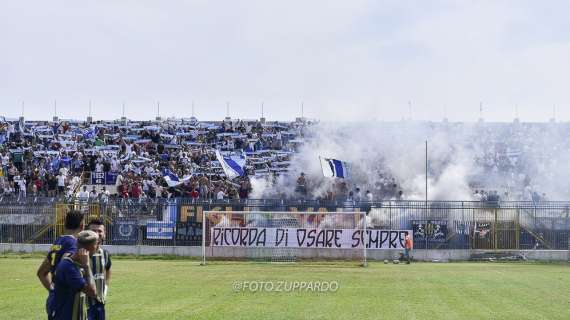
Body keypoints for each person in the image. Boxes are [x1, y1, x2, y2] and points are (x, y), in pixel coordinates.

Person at [37, 211, 85, 317]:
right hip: (67, 301)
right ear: (82, 226)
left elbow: (41, 273)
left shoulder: (58, 242)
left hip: (55, 300)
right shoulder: (73, 244)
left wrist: (52, 290)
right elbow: (65, 267)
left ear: (64, 223)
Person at [50, 230, 99, 320]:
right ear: (88, 249)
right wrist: (87, 267)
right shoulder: (69, 268)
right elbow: (92, 292)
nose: (98, 248)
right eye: (96, 245)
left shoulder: (74, 263)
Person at [87, 219, 112, 320]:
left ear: (104, 234)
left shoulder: (104, 253)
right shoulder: (80, 253)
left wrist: (105, 287)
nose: (97, 234)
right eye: (93, 231)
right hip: (85, 305)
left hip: (100, 304)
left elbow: (108, 268)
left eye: (100, 231)